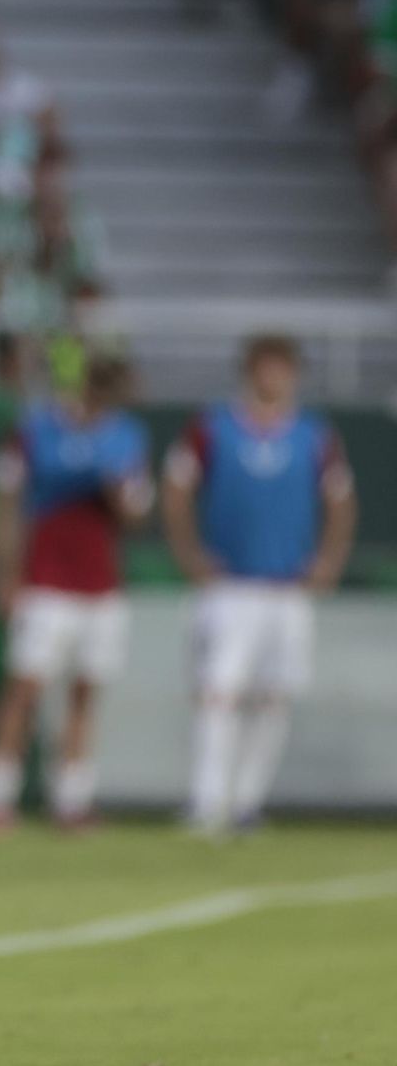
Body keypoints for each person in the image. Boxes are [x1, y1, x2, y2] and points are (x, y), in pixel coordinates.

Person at [163, 335, 356, 835]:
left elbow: (340, 501)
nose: (272, 376)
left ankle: (248, 801)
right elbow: (176, 488)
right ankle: (207, 802)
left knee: (274, 696)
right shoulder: (213, 427)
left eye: (281, 367)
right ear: (248, 371)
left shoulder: (313, 435)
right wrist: (188, 552)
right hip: (231, 585)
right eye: (264, 366)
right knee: (217, 692)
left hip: (287, 588)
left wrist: (329, 560)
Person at [0, 354, 151, 832]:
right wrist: (5, 574)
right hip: (46, 581)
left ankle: (71, 799)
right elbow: (7, 502)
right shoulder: (36, 430)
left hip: (101, 585)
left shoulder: (126, 436)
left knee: (84, 693)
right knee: (24, 690)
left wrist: (119, 495)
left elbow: (135, 518)